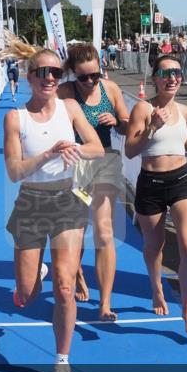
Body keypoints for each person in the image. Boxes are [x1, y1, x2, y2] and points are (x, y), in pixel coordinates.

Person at [2, 39, 103, 372]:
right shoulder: (15, 118)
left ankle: (62, 364)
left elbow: (97, 148)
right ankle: (34, 275)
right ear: (29, 76)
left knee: (64, 287)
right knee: (27, 294)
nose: (49, 78)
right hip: (30, 203)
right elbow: (14, 171)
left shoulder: (69, 107)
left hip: (67, 201)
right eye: (43, 72)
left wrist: (75, 149)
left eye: (56, 73)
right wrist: (47, 155)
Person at [123, 55, 187, 335]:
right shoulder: (143, 108)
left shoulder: (185, 110)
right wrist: (152, 126)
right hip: (150, 184)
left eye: (177, 72)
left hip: (180, 182)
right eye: (166, 73)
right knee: (154, 247)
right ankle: (156, 288)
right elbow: (130, 150)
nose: (173, 78)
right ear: (155, 78)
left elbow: (180, 138)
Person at [57, 44, 131, 321]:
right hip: (74, 163)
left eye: (95, 75)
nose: (90, 82)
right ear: (73, 73)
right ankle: (78, 274)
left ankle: (105, 304)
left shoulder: (110, 90)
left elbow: (128, 125)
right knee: (76, 229)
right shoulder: (64, 93)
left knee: (103, 230)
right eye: (83, 77)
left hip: (105, 161)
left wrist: (117, 121)